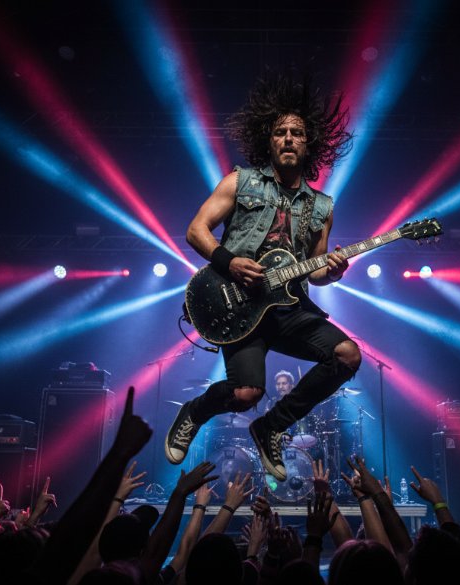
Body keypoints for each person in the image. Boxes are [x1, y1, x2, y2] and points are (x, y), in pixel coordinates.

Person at [165, 71, 361, 482]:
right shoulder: (240, 181)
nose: (289, 138)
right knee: (245, 394)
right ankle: (194, 411)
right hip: (238, 301)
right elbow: (195, 230)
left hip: (289, 307)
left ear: (309, 144)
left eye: (297, 133)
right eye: (280, 132)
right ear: (268, 140)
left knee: (347, 355)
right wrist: (228, 261)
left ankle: (271, 426)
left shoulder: (322, 206)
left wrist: (334, 272)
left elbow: (318, 268)